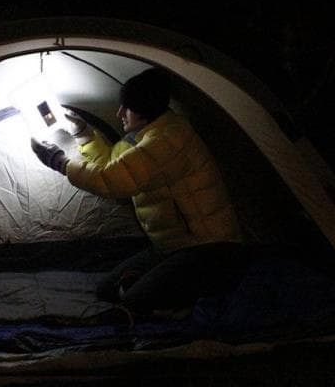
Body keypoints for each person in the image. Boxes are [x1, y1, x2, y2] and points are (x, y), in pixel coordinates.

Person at [31, 67, 247, 324]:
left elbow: (112, 181)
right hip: (171, 247)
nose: (119, 113)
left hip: (209, 248)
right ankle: (155, 291)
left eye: (127, 108)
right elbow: (111, 165)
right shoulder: (142, 137)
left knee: (135, 301)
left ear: (145, 111)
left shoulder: (169, 140)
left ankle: (183, 302)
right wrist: (83, 133)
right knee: (106, 290)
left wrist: (60, 162)